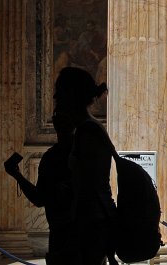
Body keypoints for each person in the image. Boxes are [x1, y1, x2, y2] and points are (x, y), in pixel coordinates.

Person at [53, 66, 118, 265]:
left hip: (89, 226)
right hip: (88, 223)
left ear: (72, 96)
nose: (56, 98)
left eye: (60, 92)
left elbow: (91, 187)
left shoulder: (88, 131)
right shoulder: (84, 130)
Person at [4, 113, 78, 265]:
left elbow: (39, 198)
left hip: (62, 237)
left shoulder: (52, 158)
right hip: (87, 236)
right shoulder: (88, 154)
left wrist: (17, 175)